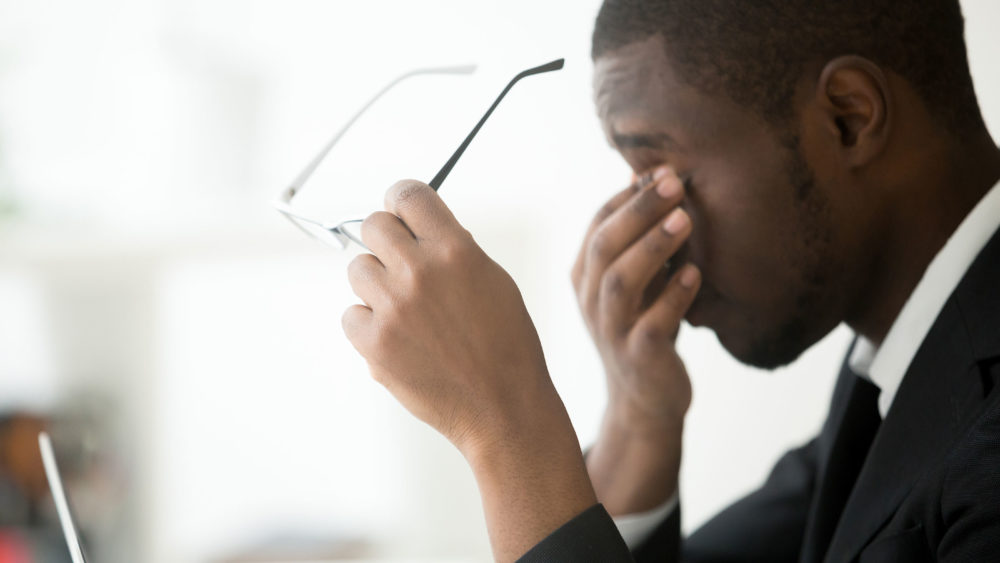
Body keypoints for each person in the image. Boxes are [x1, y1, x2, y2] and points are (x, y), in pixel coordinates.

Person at [341, 0, 1000, 560]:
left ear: (847, 119)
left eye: (665, 176)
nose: (646, 232)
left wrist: (508, 432)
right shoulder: (895, 386)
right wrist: (638, 415)